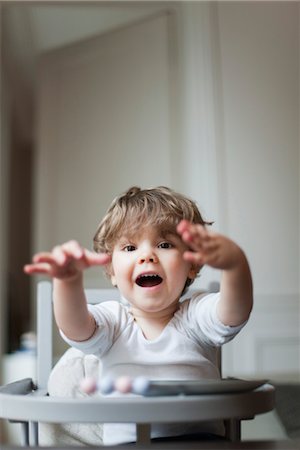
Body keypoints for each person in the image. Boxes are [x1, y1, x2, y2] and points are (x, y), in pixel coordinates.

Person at [24, 186, 253, 445]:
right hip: (127, 445)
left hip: (199, 441)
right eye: (130, 247)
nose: (147, 256)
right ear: (111, 270)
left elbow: (233, 314)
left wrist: (235, 267)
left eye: (164, 244)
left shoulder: (195, 317)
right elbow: (77, 329)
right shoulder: (113, 322)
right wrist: (68, 282)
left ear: (192, 265)